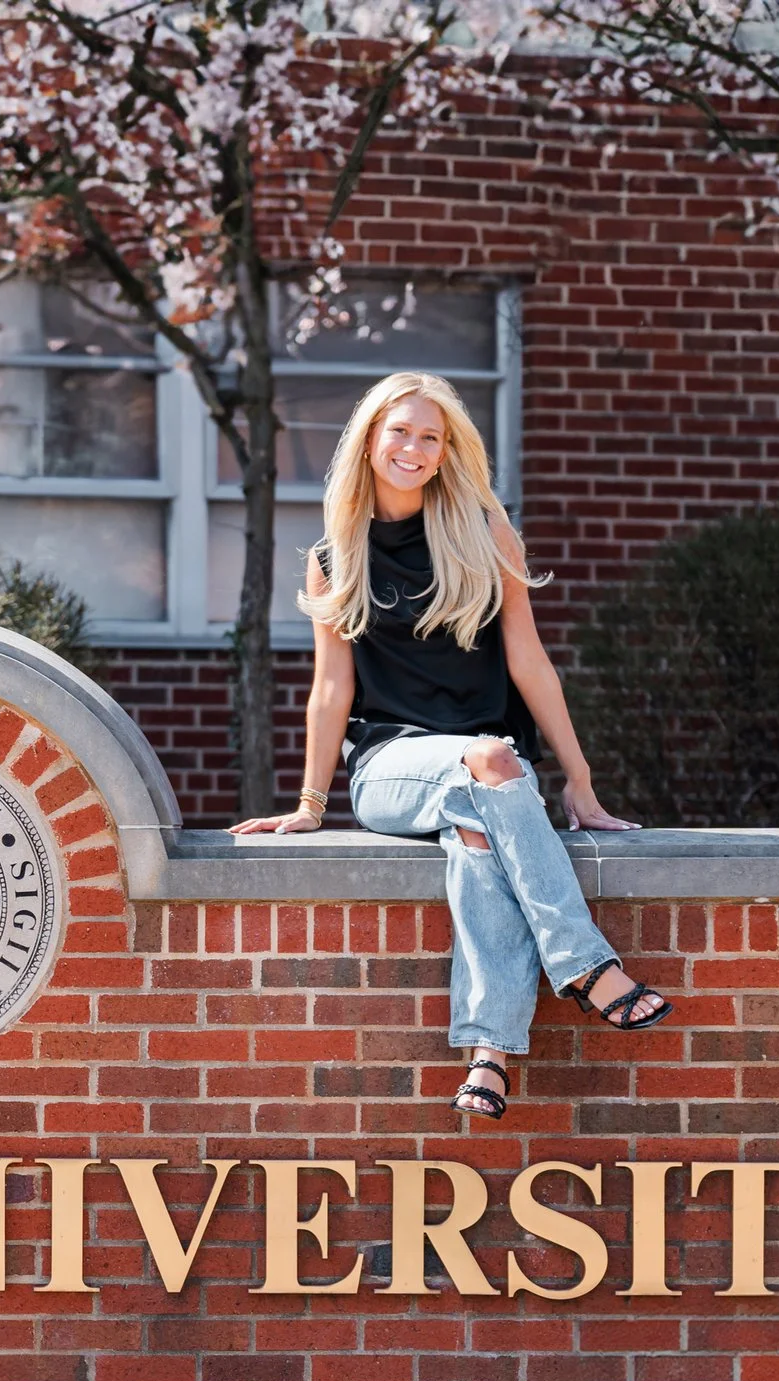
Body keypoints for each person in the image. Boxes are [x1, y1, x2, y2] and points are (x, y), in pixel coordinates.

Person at [230, 371, 670, 1119]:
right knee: (493, 760)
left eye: (430, 437)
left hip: (482, 777)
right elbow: (331, 689)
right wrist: (309, 804)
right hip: (389, 769)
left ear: (446, 451)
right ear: (370, 440)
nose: (414, 447)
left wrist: (580, 778)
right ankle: (587, 966)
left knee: (477, 835)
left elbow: (530, 660)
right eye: (400, 431)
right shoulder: (335, 555)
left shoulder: (485, 534)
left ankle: (489, 1054)